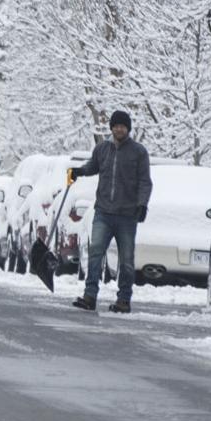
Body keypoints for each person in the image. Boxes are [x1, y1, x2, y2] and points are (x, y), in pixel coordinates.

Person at [68, 110, 153, 313]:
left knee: (126, 259)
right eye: (116, 126)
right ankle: (90, 296)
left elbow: (145, 182)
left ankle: (124, 299)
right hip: (103, 212)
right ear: (111, 128)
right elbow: (92, 167)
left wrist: (142, 204)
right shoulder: (102, 149)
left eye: (123, 126)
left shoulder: (138, 152)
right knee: (96, 250)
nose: (119, 129)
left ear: (128, 129)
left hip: (127, 215)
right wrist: (78, 171)